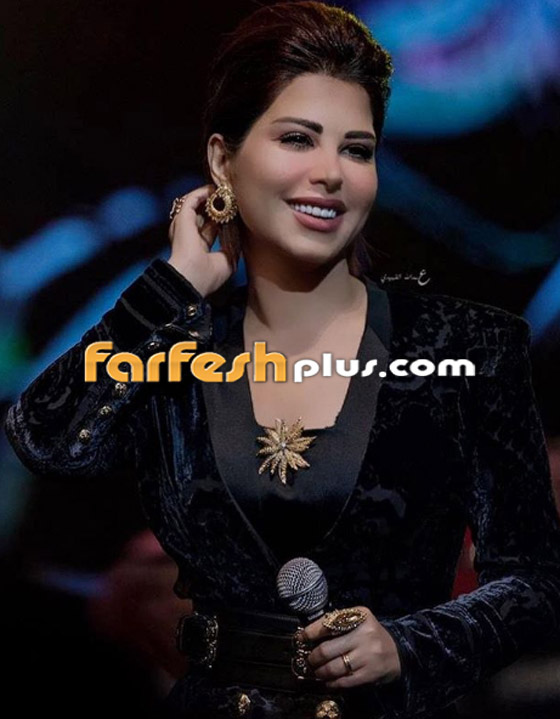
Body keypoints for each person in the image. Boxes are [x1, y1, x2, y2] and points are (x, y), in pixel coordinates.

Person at [5, 2, 560, 718]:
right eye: (298, 139)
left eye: (354, 149)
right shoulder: (166, 301)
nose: (328, 174)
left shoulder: (478, 332)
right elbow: (43, 445)